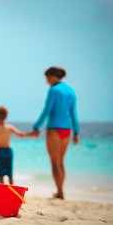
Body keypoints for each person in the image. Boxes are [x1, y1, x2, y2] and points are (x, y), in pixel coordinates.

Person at [31, 67, 80, 199]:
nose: (46, 81)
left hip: (54, 128)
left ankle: (60, 193)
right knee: (60, 162)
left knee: (54, 163)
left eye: (47, 78)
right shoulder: (71, 91)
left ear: (53, 76)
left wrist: (36, 126)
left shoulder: (53, 90)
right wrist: (76, 132)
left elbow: (47, 110)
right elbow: (73, 113)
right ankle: (60, 191)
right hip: (67, 129)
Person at [0, 106, 37, 185]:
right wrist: (32, 134)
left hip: (0, 152)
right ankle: (12, 190)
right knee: (10, 174)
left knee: (1, 174)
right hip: (8, 151)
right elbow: (20, 134)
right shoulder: (9, 127)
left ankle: (3, 191)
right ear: (6, 117)